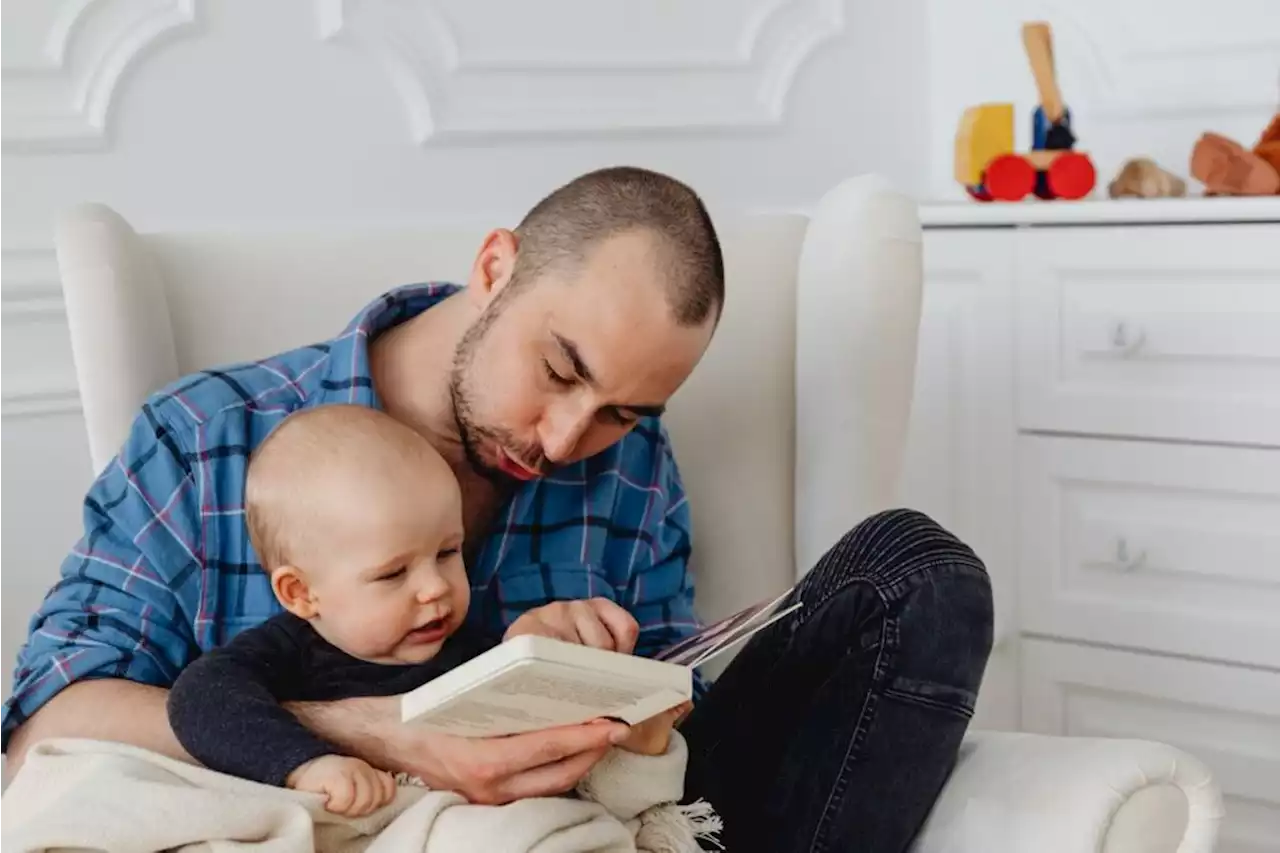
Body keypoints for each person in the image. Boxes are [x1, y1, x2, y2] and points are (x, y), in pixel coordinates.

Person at [1, 165, 993, 853]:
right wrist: (375, 731)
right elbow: (46, 736)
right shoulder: (205, 437)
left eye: (619, 410)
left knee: (914, 571)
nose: (564, 441)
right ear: (493, 268)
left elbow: (671, 759)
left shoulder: (631, 463)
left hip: (588, 824)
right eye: (559, 371)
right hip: (348, 825)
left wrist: (624, 684)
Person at [162, 403, 708, 851]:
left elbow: (574, 782)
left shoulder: (476, 654)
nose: (435, 589)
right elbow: (197, 701)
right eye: (393, 573)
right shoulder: (282, 653)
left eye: (448, 552)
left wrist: (639, 734)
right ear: (301, 593)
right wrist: (305, 765)